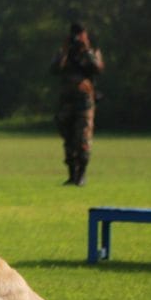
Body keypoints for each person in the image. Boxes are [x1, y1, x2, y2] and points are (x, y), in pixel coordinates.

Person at [50, 21, 104, 186]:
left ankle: (81, 176)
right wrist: (65, 50)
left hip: (84, 103)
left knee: (82, 140)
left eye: (80, 33)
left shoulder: (92, 52)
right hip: (66, 103)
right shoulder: (65, 53)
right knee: (68, 139)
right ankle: (72, 175)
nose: (77, 37)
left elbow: (98, 68)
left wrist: (86, 49)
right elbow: (54, 69)